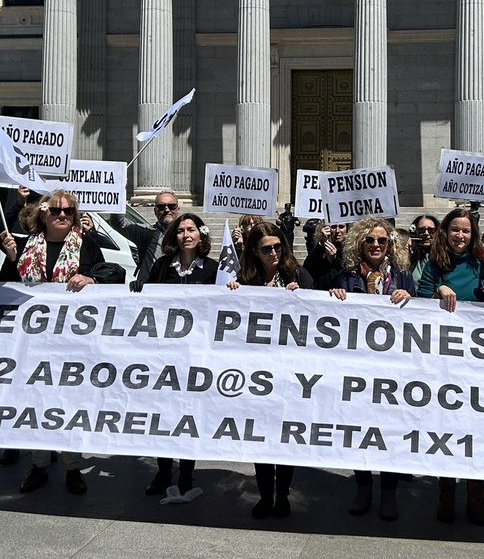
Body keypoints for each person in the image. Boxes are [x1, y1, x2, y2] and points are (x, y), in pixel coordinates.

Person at [0, 189, 110, 496]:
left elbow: (111, 273)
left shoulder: (86, 245)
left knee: (67, 405)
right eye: (55, 210)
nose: (62, 215)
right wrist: (11, 260)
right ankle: (39, 465)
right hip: (33, 342)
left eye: (69, 211)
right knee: (36, 404)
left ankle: (73, 468)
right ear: (42, 214)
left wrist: (90, 279)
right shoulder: (27, 247)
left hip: (71, 342)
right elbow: (6, 285)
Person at [328, 216, 415, 521]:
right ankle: (363, 487)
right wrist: (336, 298)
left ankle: (388, 493)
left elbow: (418, 318)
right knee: (360, 430)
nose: (376, 245)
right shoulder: (346, 275)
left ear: (390, 244)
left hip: (393, 369)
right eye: (369, 240)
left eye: (382, 240)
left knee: (389, 431)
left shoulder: (402, 277)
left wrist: (410, 298)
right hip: (359, 369)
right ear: (359, 244)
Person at [227, 222, 313, 519]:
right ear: (255, 251)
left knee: (285, 436)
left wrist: (302, 295)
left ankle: (283, 495)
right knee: (261, 436)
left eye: (278, 247)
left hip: (290, 372)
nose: (274, 252)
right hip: (257, 373)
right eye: (267, 249)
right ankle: (266, 495)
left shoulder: (297, 275)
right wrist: (232, 295)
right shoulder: (245, 279)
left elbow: (321, 312)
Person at [415, 207, 484, 524]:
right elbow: (420, 296)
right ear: (445, 233)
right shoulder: (436, 264)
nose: (460, 235)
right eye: (455, 229)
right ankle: (447, 494)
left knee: (476, 431)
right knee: (447, 430)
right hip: (444, 360)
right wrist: (437, 290)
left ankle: (476, 496)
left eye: (466, 231)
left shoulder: (482, 263)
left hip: (477, 361)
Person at [137, 212, 218, 501]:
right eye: (181, 230)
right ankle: (162, 471)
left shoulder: (212, 269)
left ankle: (186, 471)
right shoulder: (161, 266)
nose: (186, 235)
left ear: (201, 235)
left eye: (191, 229)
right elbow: (143, 294)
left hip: (195, 358)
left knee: (187, 417)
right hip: (164, 355)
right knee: (163, 415)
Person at [112, 189, 179, 289]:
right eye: (161, 207)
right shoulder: (146, 232)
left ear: (178, 209)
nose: (167, 210)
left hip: (177, 289)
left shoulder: (187, 236)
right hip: (148, 289)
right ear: (155, 211)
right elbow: (119, 223)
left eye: (171, 206)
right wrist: (119, 189)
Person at [304, 221, 348, 289]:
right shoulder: (321, 247)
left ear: (347, 229)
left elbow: (349, 272)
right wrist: (322, 243)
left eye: (341, 227)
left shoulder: (353, 250)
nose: (337, 231)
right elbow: (307, 268)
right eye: (333, 227)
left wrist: (334, 259)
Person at [408, 214, 439, 289]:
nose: (426, 233)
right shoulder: (409, 254)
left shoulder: (444, 255)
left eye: (431, 230)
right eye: (421, 230)